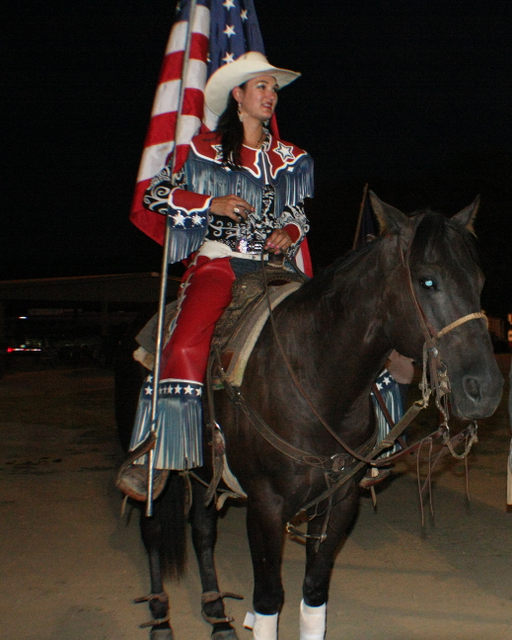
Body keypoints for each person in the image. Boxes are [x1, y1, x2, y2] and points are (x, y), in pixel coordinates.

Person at [117, 52, 313, 500]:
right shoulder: (202, 150)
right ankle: (158, 453)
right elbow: (155, 195)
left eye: (274, 88)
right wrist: (212, 204)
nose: (270, 95)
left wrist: (287, 231)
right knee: (186, 342)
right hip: (221, 260)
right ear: (238, 96)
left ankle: (367, 442)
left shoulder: (292, 157)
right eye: (261, 86)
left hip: (275, 268)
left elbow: (299, 214)